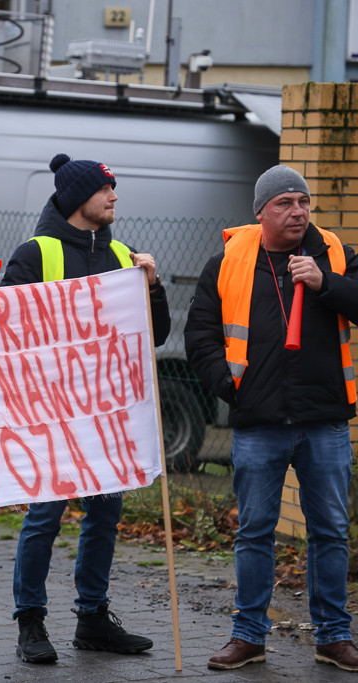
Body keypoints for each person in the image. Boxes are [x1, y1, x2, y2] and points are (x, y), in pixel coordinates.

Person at [185, 165, 358, 673]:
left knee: (329, 530)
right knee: (255, 531)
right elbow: (200, 335)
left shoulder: (337, 254)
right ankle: (248, 636)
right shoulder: (228, 260)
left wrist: (326, 282)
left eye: (303, 202)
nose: (297, 212)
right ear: (260, 212)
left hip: (323, 419)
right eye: (284, 203)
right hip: (257, 421)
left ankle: (334, 636)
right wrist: (228, 385)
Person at [0, 153, 169, 664]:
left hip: (106, 414)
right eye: (106, 190)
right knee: (45, 515)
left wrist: (154, 288)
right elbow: (3, 328)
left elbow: (155, 336)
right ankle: (30, 621)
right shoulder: (36, 254)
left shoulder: (125, 256)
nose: (114, 197)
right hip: (51, 413)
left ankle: (92, 619)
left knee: (105, 512)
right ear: (79, 199)